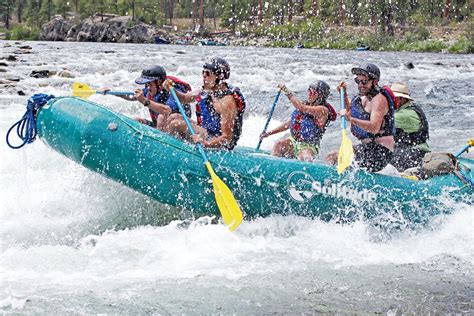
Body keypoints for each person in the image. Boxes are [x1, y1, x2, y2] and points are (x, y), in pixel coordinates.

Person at [327, 63, 397, 172]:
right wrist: (344, 94)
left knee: (335, 157)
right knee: (332, 156)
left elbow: (374, 128)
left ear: (375, 82)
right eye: (358, 81)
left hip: (380, 152)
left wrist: (351, 119)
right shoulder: (362, 98)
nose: (361, 85)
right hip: (368, 148)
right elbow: (350, 111)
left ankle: (334, 186)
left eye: (364, 81)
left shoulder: (379, 100)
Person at [165, 57, 246, 150]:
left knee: (176, 124)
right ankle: (175, 146)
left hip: (216, 140)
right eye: (203, 72)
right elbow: (184, 98)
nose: (203, 76)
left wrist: (206, 143)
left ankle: (171, 150)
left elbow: (226, 138)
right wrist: (171, 89)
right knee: (174, 116)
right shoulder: (207, 91)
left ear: (219, 77)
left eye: (207, 73)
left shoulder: (226, 102)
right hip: (207, 131)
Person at [259, 81, 336, 162]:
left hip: (309, 146)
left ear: (320, 97)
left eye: (313, 93)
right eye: (309, 91)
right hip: (294, 141)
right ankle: (272, 167)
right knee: (279, 145)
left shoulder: (323, 110)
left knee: (306, 156)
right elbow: (287, 124)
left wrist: (286, 91)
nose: (309, 94)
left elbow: (302, 108)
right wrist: (269, 133)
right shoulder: (305, 104)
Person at [102, 65, 192, 130]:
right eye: (146, 84)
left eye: (149, 84)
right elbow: (131, 97)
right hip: (160, 128)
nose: (147, 87)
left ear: (159, 82)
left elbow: (166, 110)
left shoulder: (174, 89)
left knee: (161, 117)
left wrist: (145, 101)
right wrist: (112, 92)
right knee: (136, 120)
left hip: (178, 130)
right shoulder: (150, 89)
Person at [390, 82, 430, 171]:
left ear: (402, 99)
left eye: (393, 98)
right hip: (416, 152)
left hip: (415, 155)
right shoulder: (410, 108)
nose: (390, 101)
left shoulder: (405, 115)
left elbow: (378, 124)